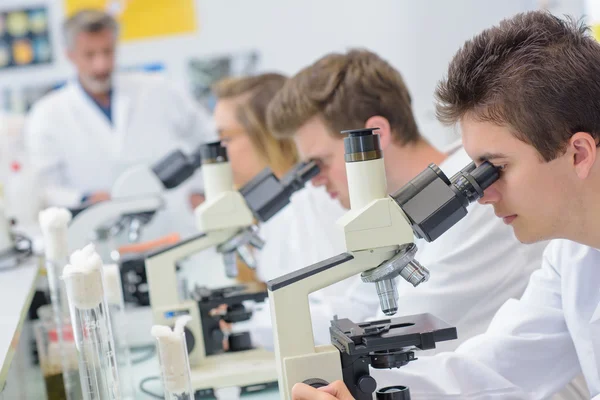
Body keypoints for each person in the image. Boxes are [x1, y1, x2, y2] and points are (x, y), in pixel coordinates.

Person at [291, 11, 600, 400]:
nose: (484, 194)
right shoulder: (571, 256)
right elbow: (494, 368)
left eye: (497, 168)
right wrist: (355, 393)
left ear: (578, 153)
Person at [266, 49, 548, 355]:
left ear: (374, 135)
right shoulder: (400, 211)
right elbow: (357, 307)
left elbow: (415, 321)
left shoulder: (483, 202)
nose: (315, 181)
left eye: (319, 163)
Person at [24, 10, 212, 236]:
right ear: (70, 55)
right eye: (90, 55)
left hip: (174, 224)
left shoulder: (158, 89)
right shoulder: (47, 114)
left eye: (107, 52)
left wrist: (200, 189)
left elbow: (208, 138)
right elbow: (44, 188)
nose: (101, 66)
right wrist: (84, 198)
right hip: (98, 232)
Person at [209, 73, 348, 343]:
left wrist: (248, 329)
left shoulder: (317, 199)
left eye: (226, 139)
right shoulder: (271, 212)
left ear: (268, 134)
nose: (220, 154)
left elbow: (340, 310)